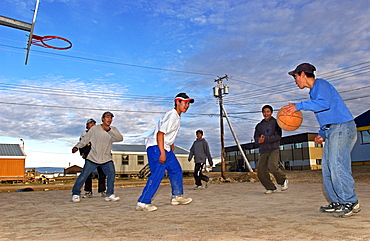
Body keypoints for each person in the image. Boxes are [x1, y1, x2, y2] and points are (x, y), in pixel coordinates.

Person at [284, 63, 360, 218]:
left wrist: (299, 106)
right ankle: (337, 201)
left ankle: (350, 201)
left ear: (304, 74)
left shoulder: (321, 84)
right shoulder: (314, 93)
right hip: (333, 129)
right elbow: (326, 114)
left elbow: (325, 103)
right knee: (327, 168)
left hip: (342, 127)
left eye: (295, 76)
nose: (295, 80)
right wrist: (322, 133)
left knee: (337, 164)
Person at [136, 93, 194, 212]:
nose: (187, 105)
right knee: (158, 172)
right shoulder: (172, 115)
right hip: (156, 146)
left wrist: (171, 143)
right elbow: (160, 133)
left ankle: (177, 196)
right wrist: (162, 152)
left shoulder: (177, 116)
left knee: (176, 169)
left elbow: (167, 133)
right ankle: (143, 202)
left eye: (188, 103)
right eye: (185, 102)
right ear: (177, 102)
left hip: (165, 146)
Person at [71, 111, 123, 203]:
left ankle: (109, 194)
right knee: (84, 176)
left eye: (111, 118)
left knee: (111, 174)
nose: (109, 119)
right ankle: (75, 194)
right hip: (93, 158)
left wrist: (109, 130)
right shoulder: (95, 129)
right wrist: (77, 147)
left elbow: (120, 138)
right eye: (107, 117)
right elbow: (85, 139)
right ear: (102, 119)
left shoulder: (113, 129)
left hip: (106, 158)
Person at [254, 105, 288, 194]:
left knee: (272, 167)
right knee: (261, 171)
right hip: (263, 150)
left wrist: (266, 139)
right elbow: (256, 138)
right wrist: (259, 140)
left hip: (273, 148)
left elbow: (278, 136)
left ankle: (283, 180)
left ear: (271, 112)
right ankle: (271, 187)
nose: (266, 114)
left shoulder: (276, 123)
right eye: (264, 112)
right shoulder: (259, 126)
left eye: (268, 112)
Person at [78, 118, 107, 198]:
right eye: (90, 123)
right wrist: (82, 153)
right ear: (87, 125)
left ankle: (102, 190)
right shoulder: (84, 134)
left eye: (94, 123)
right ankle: (88, 191)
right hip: (89, 157)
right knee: (87, 174)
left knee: (102, 174)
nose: (92, 125)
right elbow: (81, 144)